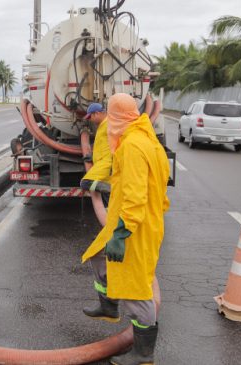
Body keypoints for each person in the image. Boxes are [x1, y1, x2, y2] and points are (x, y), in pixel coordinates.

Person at [81, 93, 170, 365]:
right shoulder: (144, 137)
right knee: (97, 255)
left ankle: (144, 354)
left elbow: (134, 197)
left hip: (135, 225)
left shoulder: (133, 146)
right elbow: (120, 174)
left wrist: (122, 233)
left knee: (136, 289)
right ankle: (108, 306)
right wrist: (93, 180)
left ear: (115, 116)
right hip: (132, 219)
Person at [80, 103, 112, 227]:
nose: (91, 120)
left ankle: (112, 189)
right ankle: (110, 228)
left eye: (91, 117)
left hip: (106, 163)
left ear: (97, 113)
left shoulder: (109, 124)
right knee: (108, 201)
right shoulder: (104, 125)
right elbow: (103, 145)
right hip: (102, 163)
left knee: (85, 182)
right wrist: (92, 156)